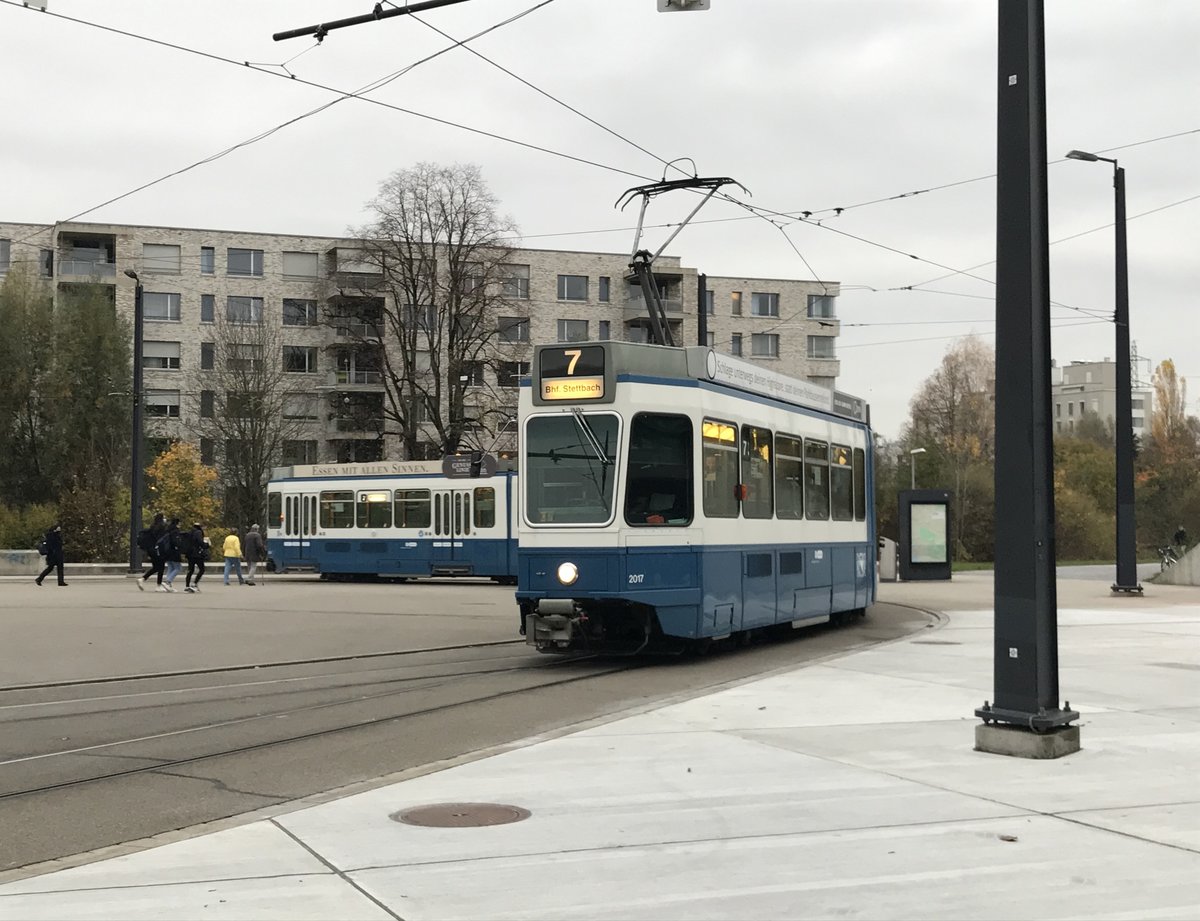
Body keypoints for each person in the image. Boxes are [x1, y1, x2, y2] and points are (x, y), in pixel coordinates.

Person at [137, 512, 168, 591]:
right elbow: (162, 539)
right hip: (158, 549)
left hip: (151, 549)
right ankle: (158, 585)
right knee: (161, 567)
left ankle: (142, 579)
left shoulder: (152, 526)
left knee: (156, 567)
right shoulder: (162, 527)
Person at [184, 522, 209, 593]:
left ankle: (187, 586)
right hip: (197, 554)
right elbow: (200, 542)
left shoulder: (190, 532)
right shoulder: (198, 532)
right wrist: (206, 545)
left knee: (190, 570)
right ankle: (194, 584)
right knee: (202, 569)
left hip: (189, 554)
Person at [160, 518, 183, 593]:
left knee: (170, 567)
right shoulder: (175, 531)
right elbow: (176, 542)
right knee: (178, 568)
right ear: (177, 523)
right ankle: (168, 582)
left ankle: (167, 584)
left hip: (167, 552)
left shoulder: (168, 530)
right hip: (174, 552)